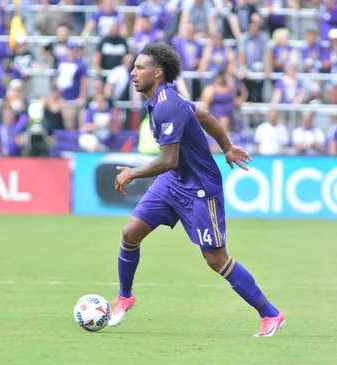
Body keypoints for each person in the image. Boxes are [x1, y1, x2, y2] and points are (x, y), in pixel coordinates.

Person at [111, 44, 285, 337]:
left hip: (200, 189)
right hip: (174, 182)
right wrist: (227, 147)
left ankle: (271, 314)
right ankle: (125, 296)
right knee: (130, 233)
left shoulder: (167, 104)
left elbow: (169, 159)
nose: (133, 72)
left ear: (158, 72)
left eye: (140, 67)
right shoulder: (161, 99)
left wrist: (133, 172)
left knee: (216, 260)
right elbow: (203, 115)